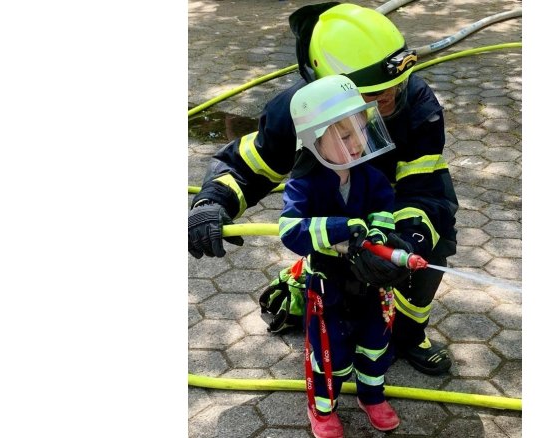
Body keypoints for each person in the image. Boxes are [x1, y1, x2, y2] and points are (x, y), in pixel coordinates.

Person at [188, 2, 458, 375]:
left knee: (436, 243)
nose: (391, 98)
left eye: (397, 84)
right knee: (339, 287)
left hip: (387, 202)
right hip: (333, 209)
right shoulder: (295, 112)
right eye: (375, 95)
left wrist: (405, 242)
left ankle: (409, 334)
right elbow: (248, 166)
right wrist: (210, 203)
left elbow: (426, 190)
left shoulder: (418, 106)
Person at [280, 74, 405, 438]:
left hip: (371, 285)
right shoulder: (304, 183)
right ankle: (322, 409)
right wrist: (338, 230)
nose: (357, 144)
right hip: (328, 290)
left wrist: (383, 241)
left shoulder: (371, 176)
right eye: (345, 136)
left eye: (361, 131)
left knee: (375, 343)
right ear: (315, 141)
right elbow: (291, 230)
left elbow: (384, 211)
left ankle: (372, 396)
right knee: (328, 353)